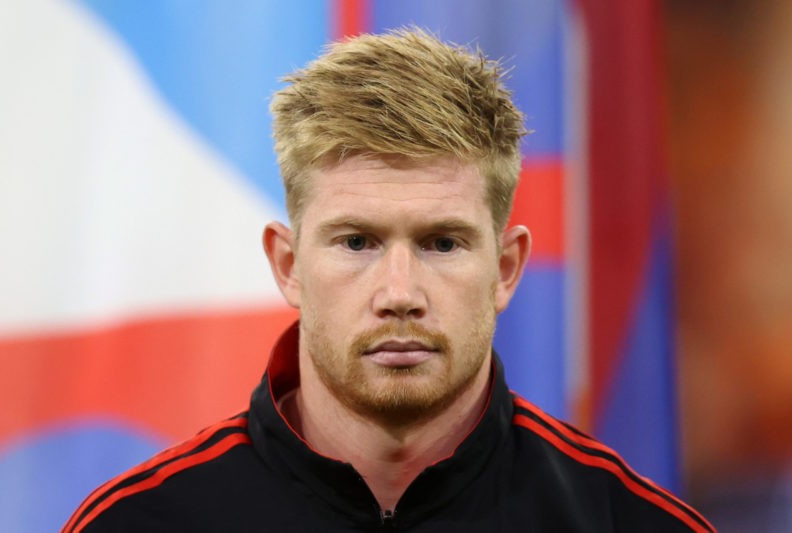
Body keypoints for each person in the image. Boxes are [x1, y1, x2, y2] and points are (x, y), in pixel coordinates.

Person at [63, 28, 714, 532]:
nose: (400, 293)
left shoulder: (629, 522)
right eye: (357, 241)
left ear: (506, 268)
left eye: (441, 242)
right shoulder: (138, 523)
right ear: (288, 265)